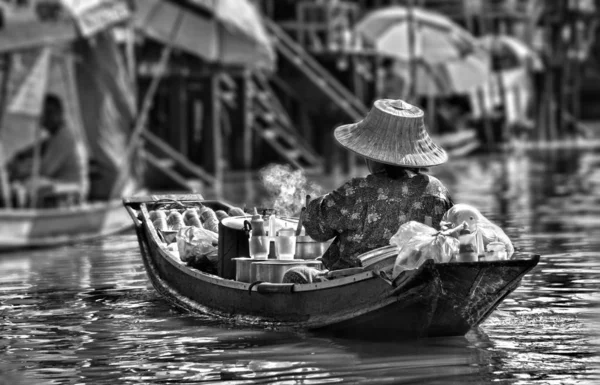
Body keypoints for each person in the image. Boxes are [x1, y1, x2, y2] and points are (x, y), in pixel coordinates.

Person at [283, 99, 454, 283]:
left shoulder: (356, 191)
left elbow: (317, 230)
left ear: (374, 156)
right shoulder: (437, 190)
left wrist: (313, 208)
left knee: (295, 274)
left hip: (354, 281)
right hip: (417, 277)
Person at [9, 94, 88, 207]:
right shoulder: (59, 134)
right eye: (44, 114)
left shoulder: (64, 138)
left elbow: (46, 170)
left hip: (73, 189)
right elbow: (40, 146)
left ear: (59, 113)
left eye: (49, 113)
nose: (45, 118)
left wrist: (20, 172)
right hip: (68, 185)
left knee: (29, 184)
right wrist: (21, 155)